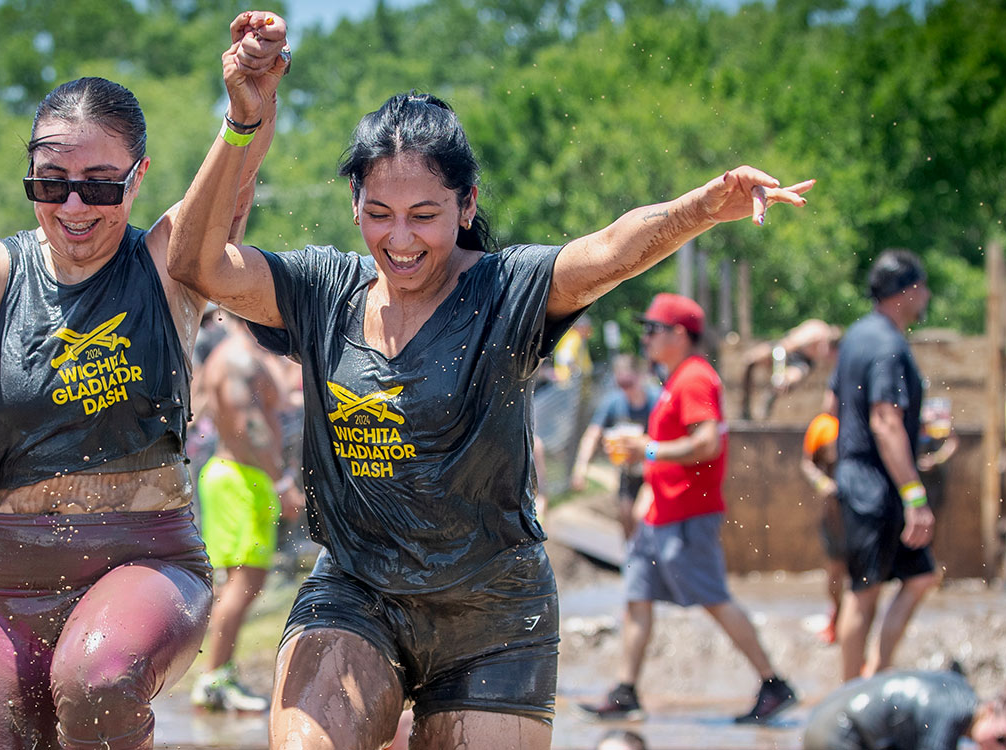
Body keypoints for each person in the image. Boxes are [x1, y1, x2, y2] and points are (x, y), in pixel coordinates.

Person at [167, 20, 812, 743]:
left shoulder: (507, 291)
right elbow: (196, 264)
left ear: (466, 206)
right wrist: (245, 121)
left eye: (424, 216)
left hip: (495, 615)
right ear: (355, 206)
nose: (400, 240)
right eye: (378, 214)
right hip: (355, 594)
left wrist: (699, 208)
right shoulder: (323, 291)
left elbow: (609, 251)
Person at [0, 17, 285, 748]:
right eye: (52, 184)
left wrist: (246, 109)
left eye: (99, 187)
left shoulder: (170, 263)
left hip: (145, 559)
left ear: (137, 177)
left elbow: (231, 189)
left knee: (96, 677)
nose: (73, 208)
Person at [582, 295, 797, 724]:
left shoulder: (695, 378)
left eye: (652, 329)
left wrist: (650, 448)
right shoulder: (675, 378)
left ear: (679, 334)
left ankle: (773, 683)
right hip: (660, 513)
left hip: (687, 514)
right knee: (636, 598)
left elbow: (707, 444)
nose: (645, 338)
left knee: (713, 598)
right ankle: (625, 690)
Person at [829, 249, 938, 682]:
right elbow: (884, 420)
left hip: (863, 477)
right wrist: (915, 495)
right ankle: (850, 695)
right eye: (922, 286)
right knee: (864, 592)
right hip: (875, 484)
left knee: (922, 576)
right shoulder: (890, 347)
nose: (926, 295)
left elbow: (833, 404)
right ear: (906, 291)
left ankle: (877, 673)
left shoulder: (857, 336)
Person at [189, 312, 298, 712]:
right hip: (241, 478)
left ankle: (220, 672)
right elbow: (251, 426)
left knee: (240, 582)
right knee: (244, 582)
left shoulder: (239, 355)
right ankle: (214, 678)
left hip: (236, 476)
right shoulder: (238, 360)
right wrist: (283, 483)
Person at [803, 670, 1006, 750]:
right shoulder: (950, 716)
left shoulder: (962, 693)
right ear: (989, 710)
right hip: (835, 731)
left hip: (829, 715)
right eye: (1002, 739)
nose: (1001, 749)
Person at [570, 354, 659, 539]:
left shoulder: (656, 401)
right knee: (626, 517)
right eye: (621, 384)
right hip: (627, 471)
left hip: (654, 469)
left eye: (629, 383)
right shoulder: (613, 402)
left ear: (640, 376)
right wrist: (581, 467)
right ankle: (632, 560)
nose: (625, 389)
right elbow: (593, 434)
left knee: (640, 515)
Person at [800, 412, 849, 646]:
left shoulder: (868, 419)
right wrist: (823, 484)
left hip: (863, 511)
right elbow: (808, 463)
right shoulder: (824, 425)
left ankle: (849, 626)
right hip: (835, 514)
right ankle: (836, 617)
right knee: (835, 571)